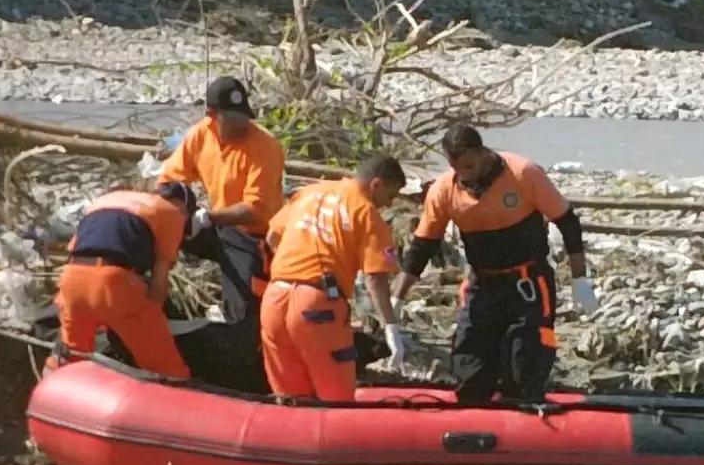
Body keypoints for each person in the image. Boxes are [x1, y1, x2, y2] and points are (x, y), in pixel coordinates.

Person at [391, 124, 600, 404]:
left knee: (523, 365)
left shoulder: (524, 174)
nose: (464, 173)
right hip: (482, 285)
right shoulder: (444, 190)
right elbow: (422, 246)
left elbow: (568, 224)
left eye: (469, 165)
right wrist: (397, 298)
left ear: (483, 152)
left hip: (527, 286)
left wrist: (579, 279)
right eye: (456, 167)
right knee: (470, 369)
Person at [260, 154, 409, 401]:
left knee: (289, 399)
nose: (388, 205)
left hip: (274, 298)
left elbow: (272, 237)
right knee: (337, 400)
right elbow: (375, 279)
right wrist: (390, 326)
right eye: (390, 196)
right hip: (318, 306)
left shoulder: (309, 193)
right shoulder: (366, 212)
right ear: (376, 184)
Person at [157, 75, 287, 327]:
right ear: (212, 114)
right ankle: (154, 300)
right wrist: (176, 215)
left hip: (251, 235)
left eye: (243, 118)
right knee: (155, 229)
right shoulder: (201, 135)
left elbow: (255, 209)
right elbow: (168, 181)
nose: (240, 126)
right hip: (215, 225)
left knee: (241, 319)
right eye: (232, 120)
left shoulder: (264, 147)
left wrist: (206, 218)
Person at [45, 182, 197, 379]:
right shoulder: (173, 214)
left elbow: (75, 249)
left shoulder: (103, 202)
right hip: (112, 282)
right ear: (185, 211)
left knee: (71, 355)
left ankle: (49, 393)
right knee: (166, 369)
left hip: (71, 278)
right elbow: (159, 285)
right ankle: (176, 393)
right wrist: (152, 318)